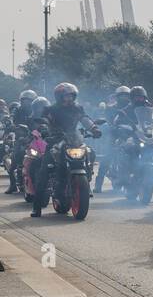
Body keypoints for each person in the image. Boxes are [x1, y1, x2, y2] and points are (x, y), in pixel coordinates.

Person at [31, 83, 101, 217]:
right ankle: (37, 207)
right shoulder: (51, 109)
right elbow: (44, 120)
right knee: (44, 172)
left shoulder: (77, 108)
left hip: (74, 138)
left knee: (90, 152)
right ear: (59, 97)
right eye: (66, 96)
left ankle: (86, 181)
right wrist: (44, 128)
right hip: (56, 140)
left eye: (71, 96)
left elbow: (84, 119)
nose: (69, 99)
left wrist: (94, 129)